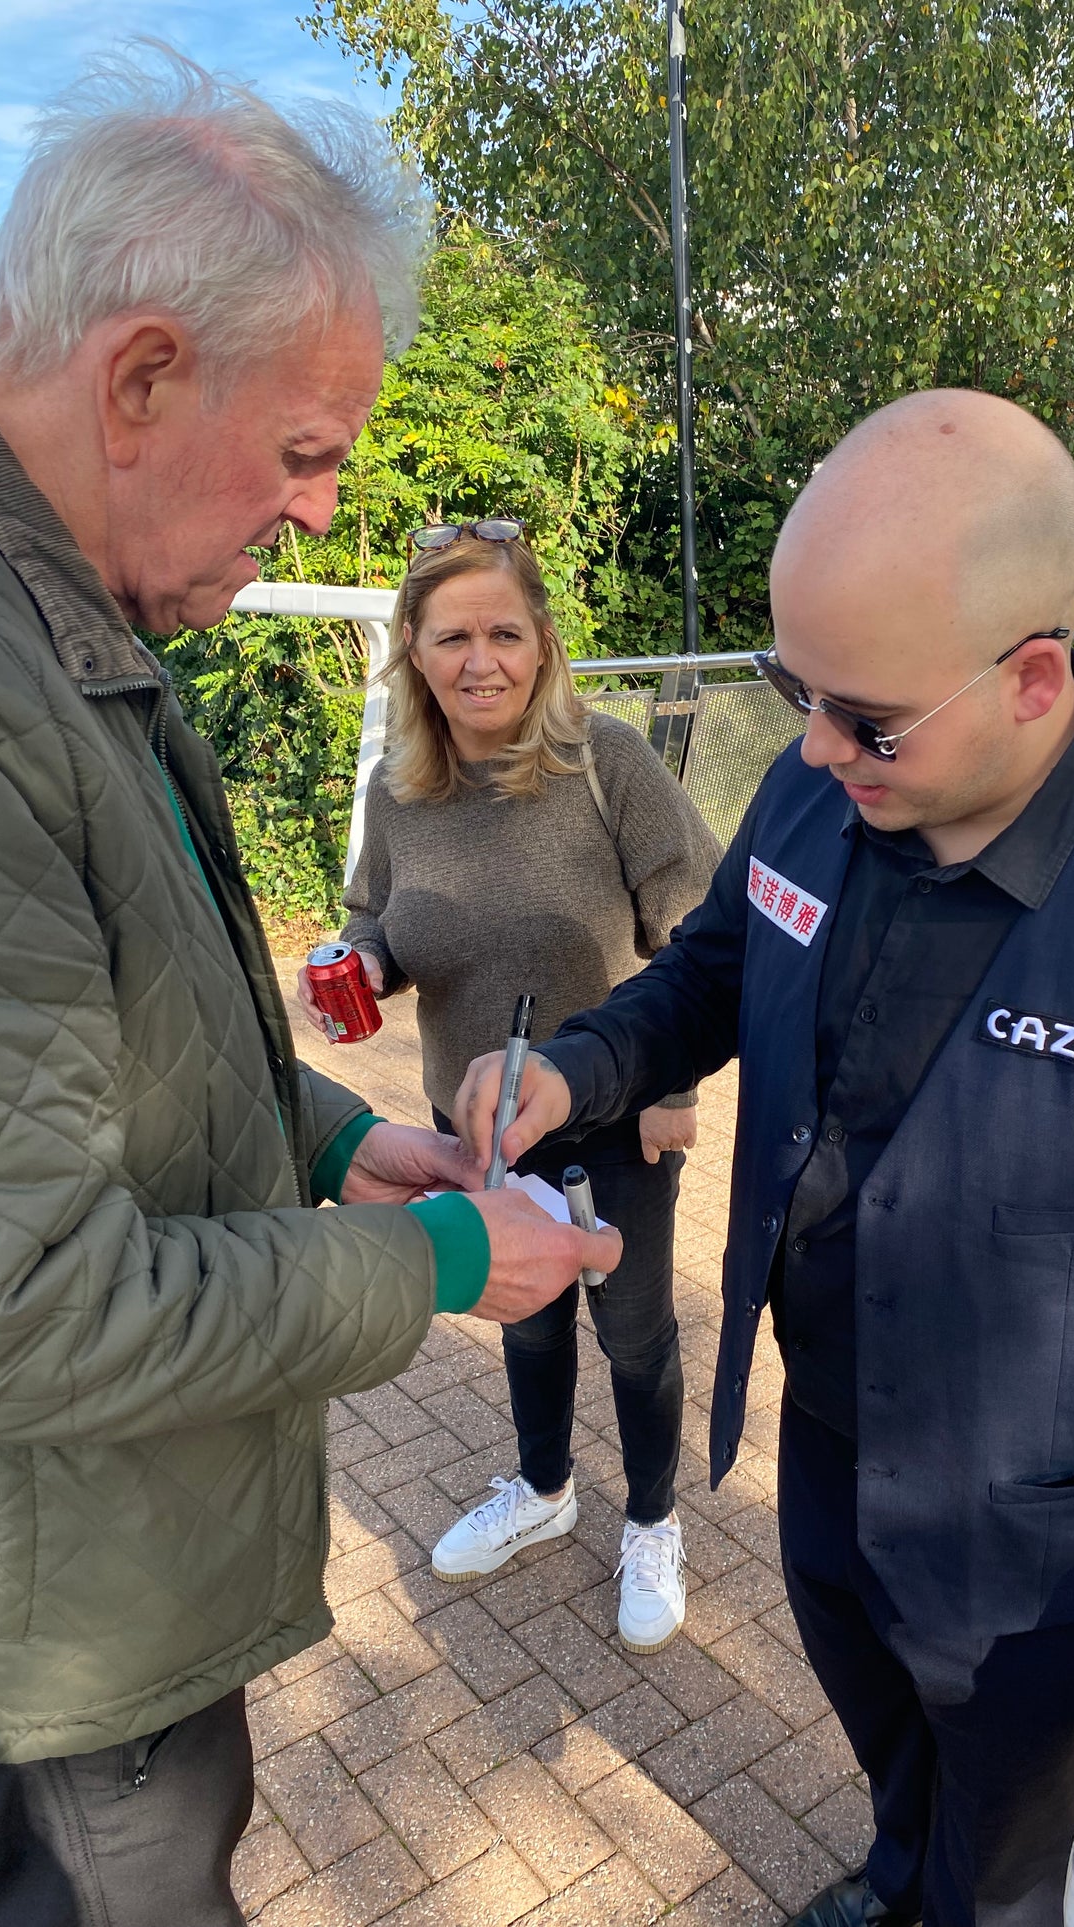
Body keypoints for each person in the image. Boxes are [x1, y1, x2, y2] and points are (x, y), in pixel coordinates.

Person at [452, 390, 1074, 1927]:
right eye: (791, 688)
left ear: (1033, 676)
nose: (815, 746)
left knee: (1017, 1855)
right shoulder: (820, 787)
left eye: (864, 717)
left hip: (1058, 1549)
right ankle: (904, 1877)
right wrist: (570, 1070)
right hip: (830, 1447)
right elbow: (709, 970)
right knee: (898, 1755)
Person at [0, 50, 618, 1927]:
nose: (327, 517)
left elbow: (109, 1034)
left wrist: (332, 1140)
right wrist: (431, 1265)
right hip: (52, 1653)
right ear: (144, 377)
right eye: (307, 450)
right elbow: (19, 1304)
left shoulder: (60, 614)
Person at [298, 525, 719, 1650]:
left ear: (540, 646)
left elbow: (698, 930)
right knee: (524, 1320)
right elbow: (376, 915)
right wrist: (365, 966)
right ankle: (542, 1491)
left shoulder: (608, 763)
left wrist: (673, 1081)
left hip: (615, 1117)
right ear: (415, 652)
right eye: (451, 636)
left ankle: (649, 1519)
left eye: (503, 632)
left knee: (633, 1331)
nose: (478, 659)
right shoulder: (398, 789)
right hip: (467, 1120)